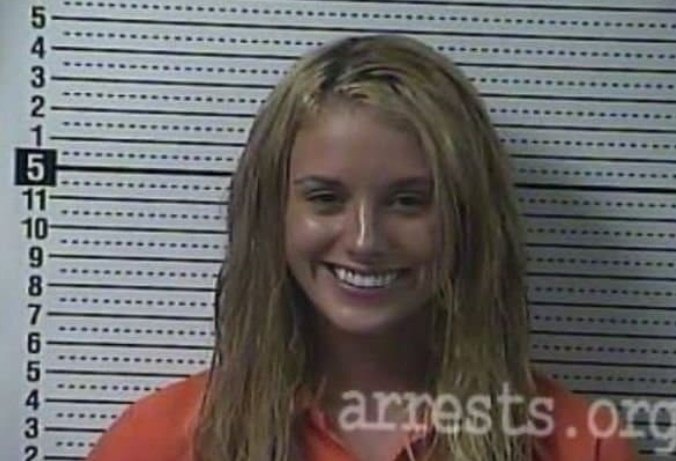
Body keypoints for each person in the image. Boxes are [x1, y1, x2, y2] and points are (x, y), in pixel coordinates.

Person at [86, 34, 638, 461]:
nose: (365, 240)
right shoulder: (158, 441)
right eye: (325, 198)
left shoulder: (579, 445)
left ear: (469, 217)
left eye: (409, 201)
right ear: (272, 212)